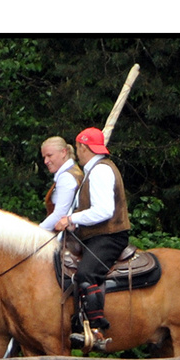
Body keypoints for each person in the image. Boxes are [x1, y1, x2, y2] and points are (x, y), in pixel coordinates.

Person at [54, 126, 131, 337]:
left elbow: (104, 211)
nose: (77, 152)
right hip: (95, 234)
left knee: (86, 273)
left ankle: (96, 326)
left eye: (78, 147)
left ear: (82, 147)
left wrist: (71, 218)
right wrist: (75, 224)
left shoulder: (100, 171)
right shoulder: (94, 170)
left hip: (109, 236)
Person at [37, 136, 83, 233]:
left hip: (68, 236)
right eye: (44, 157)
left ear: (63, 152)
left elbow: (60, 214)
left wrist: (37, 232)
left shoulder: (66, 177)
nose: (46, 161)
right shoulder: (74, 171)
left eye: (49, 155)